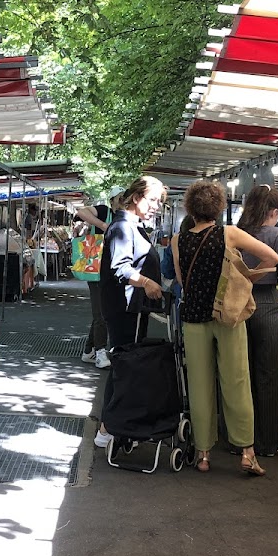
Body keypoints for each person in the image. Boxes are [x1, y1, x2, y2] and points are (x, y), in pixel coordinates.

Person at [175, 180, 278, 475]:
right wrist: (244, 283)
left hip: (194, 318)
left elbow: (183, 282)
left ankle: (204, 454)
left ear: (190, 208)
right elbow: (271, 258)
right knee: (236, 382)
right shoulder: (229, 233)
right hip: (228, 316)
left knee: (200, 385)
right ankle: (247, 452)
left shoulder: (177, 239)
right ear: (219, 208)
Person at [93, 177, 167, 449]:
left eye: (159, 201)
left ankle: (115, 426)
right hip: (124, 309)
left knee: (125, 366)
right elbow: (121, 268)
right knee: (124, 366)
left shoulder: (132, 226)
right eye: (152, 199)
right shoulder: (123, 226)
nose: (156, 206)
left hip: (132, 308)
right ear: (136, 197)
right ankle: (108, 426)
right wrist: (147, 283)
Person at [237, 185, 278, 459]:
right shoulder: (277, 235)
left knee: (240, 373)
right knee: (269, 373)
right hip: (266, 305)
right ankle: (267, 442)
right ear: (274, 211)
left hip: (238, 304)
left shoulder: (237, 232)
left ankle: (239, 437)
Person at [74, 197, 113, 368]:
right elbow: (81, 212)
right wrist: (104, 226)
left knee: (101, 312)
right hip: (96, 268)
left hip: (108, 270)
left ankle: (89, 350)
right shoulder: (105, 212)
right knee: (101, 313)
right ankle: (100, 352)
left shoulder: (124, 216)